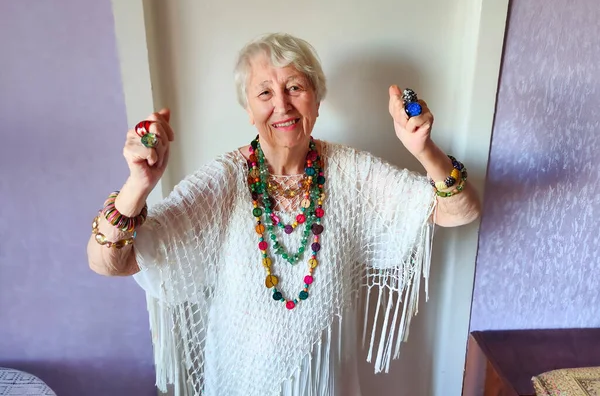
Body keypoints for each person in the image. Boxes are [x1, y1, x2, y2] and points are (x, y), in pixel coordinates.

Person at [87, 33, 480, 396]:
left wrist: (425, 150)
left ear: (316, 99)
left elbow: (460, 211)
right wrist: (138, 183)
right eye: (264, 92)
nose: (282, 104)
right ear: (249, 110)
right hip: (240, 380)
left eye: (295, 87)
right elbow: (111, 262)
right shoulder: (224, 180)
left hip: (326, 381)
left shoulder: (350, 171)